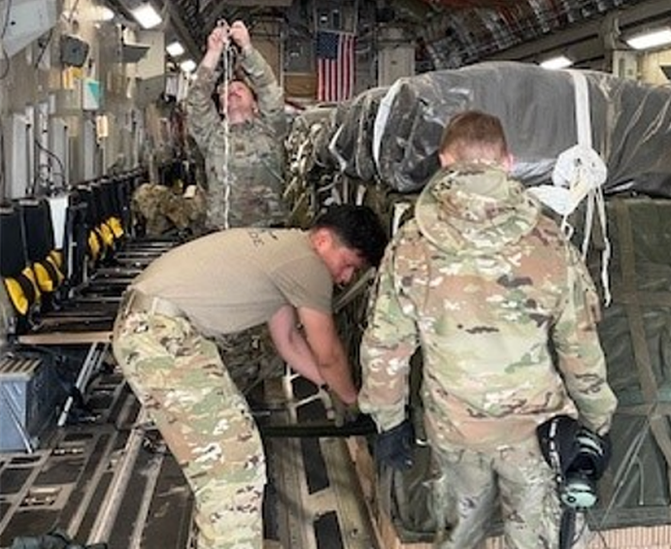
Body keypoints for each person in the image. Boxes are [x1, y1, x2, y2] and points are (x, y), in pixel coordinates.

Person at [358, 110, 618, 548]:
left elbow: (385, 345)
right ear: (509, 161)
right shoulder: (549, 241)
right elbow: (580, 344)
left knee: (459, 538)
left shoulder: (411, 244)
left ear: (444, 161)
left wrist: (389, 421)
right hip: (537, 431)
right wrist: (597, 420)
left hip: (455, 430)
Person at [111, 205, 388, 549]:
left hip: (151, 328)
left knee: (223, 459)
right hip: (161, 333)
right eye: (348, 264)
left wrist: (332, 386)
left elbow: (288, 342)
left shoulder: (286, 255)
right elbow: (328, 352)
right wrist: (355, 400)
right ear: (323, 239)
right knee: (234, 462)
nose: (345, 278)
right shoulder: (308, 264)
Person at [186, 20, 288, 230]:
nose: (232, 91)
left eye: (240, 88)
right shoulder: (211, 135)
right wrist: (213, 53)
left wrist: (247, 49)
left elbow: (270, 90)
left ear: (255, 103)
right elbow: (197, 101)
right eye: (225, 90)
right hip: (222, 233)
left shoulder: (271, 130)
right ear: (221, 104)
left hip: (269, 231)